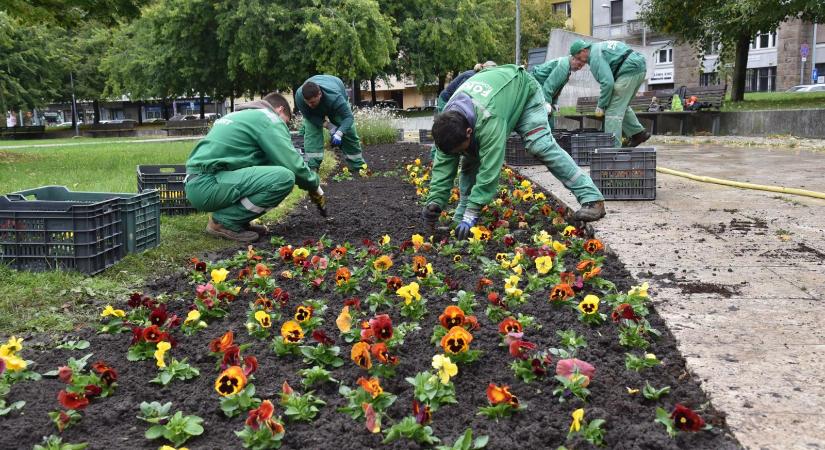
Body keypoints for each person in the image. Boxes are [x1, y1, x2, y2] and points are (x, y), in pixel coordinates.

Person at [422, 65, 606, 240]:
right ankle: (459, 220)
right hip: (500, 100)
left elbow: (489, 170)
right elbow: (443, 166)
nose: (458, 154)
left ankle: (592, 198)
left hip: (523, 91)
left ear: (469, 131)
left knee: (539, 145)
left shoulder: (488, 119)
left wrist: (472, 213)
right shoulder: (447, 123)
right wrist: (435, 201)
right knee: (470, 155)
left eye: (459, 149)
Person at [184, 92, 325, 242]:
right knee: (284, 178)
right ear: (280, 110)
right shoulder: (268, 118)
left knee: (273, 174)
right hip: (207, 183)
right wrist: (314, 185)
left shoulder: (241, 116)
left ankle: (239, 221)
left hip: (199, 182)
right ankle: (224, 222)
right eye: (286, 122)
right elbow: (293, 166)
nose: (285, 127)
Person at [570, 39, 651, 148]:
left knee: (612, 111)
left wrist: (601, 105)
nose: (581, 62)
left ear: (584, 50)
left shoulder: (595, 57)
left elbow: (607, 83)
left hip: (629, 70)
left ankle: (612, 149)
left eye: (579, 57)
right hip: (638, 67)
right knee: (621, 104)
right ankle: (638, 133)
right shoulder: (598, 48)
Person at [295, 75, 366, 172]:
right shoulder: (299, 97)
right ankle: (312, 168)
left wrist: (339, 133)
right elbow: (309, 116)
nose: (310, 105)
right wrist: (330, 126)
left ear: (319, 94)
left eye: (313, 102)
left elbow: (348, 118)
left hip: (334, 96)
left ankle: (358, 166)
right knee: (312, 135)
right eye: (308, 102)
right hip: (314, 114)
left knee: (349, 132)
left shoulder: (335, 97)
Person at [529, 55, 586, 127]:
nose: (579, 68)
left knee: (550, 117)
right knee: (544, 120)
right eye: (579, 65)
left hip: (541, 90)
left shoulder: (567, 68)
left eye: (582, 66)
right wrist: (546, 102)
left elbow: (557, 88)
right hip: (535, 88)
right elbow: (548, 86)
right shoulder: (563, 67)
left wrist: (555, 102)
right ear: (573, 58)